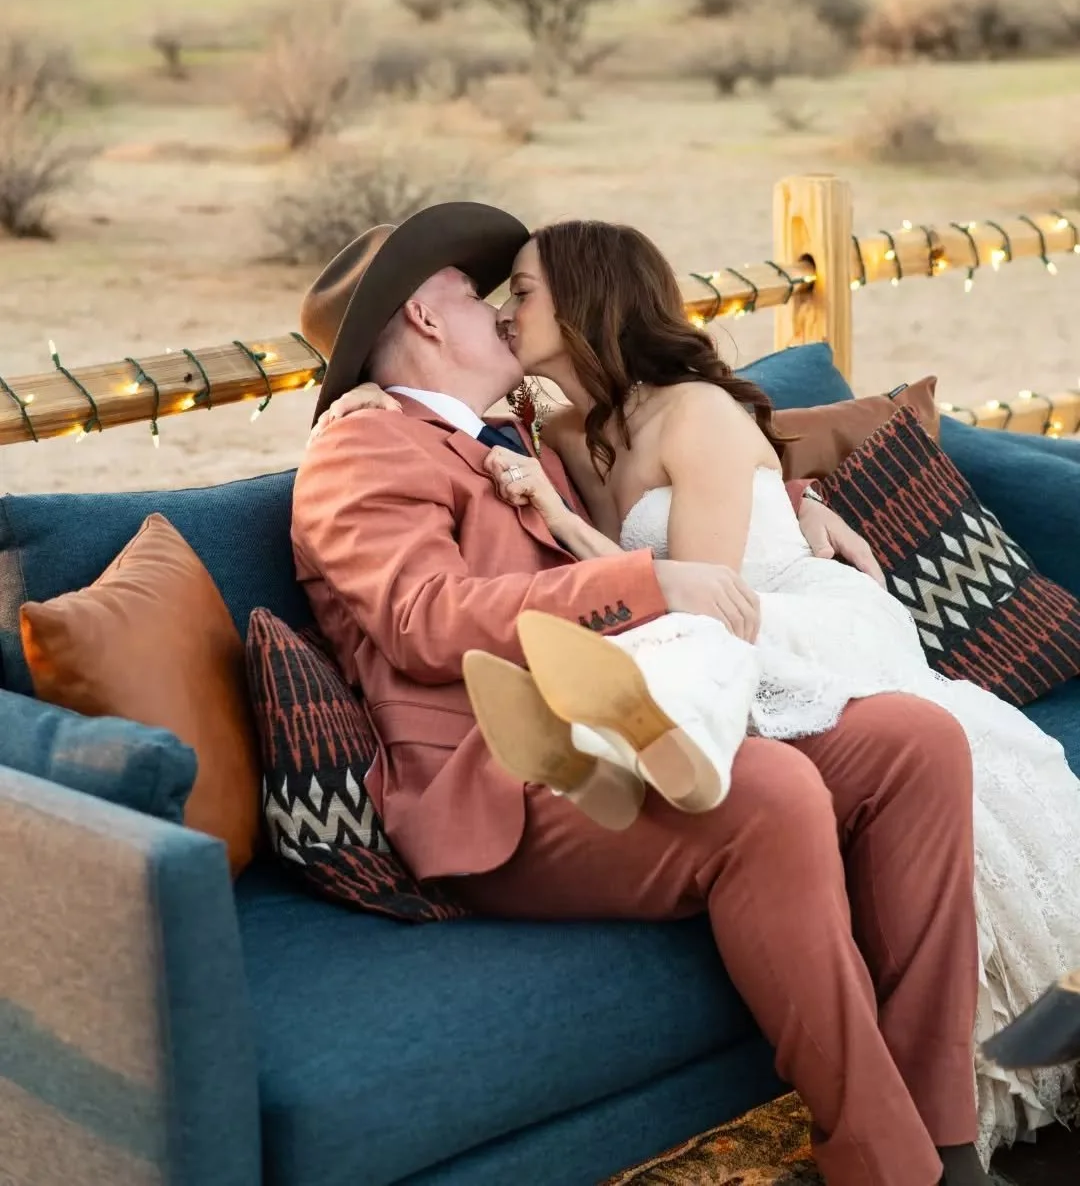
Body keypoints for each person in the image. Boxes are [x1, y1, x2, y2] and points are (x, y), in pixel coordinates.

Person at [326, 215, 1080, 1172]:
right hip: (507, 781)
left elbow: (709, 431)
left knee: (918, 739)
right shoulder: (367, 451)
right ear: (426, 321)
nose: (501, 315)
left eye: (512, 294)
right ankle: (889, 1167)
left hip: (645, 703)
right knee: (771, 793)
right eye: (482, 299)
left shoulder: (525, 432)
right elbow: (424, 618)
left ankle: (949, 1136)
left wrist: (803, 503)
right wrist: (649, 584)